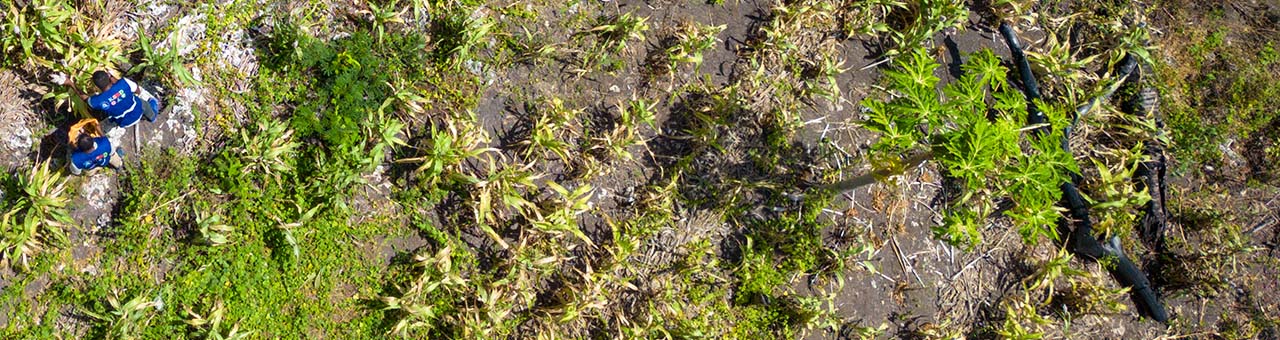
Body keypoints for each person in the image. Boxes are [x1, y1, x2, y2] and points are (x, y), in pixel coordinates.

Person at [60, 70, 161, 141]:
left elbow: (84, 97)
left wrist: (70, 83)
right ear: (109, 77)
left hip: (123, 122)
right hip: (138, 110)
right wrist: (114, 79)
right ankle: (152, 117)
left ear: (96, 86)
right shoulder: (124, 83)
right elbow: (138, 91)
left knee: (108, 119)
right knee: (143, 102)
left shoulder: (97, 101)